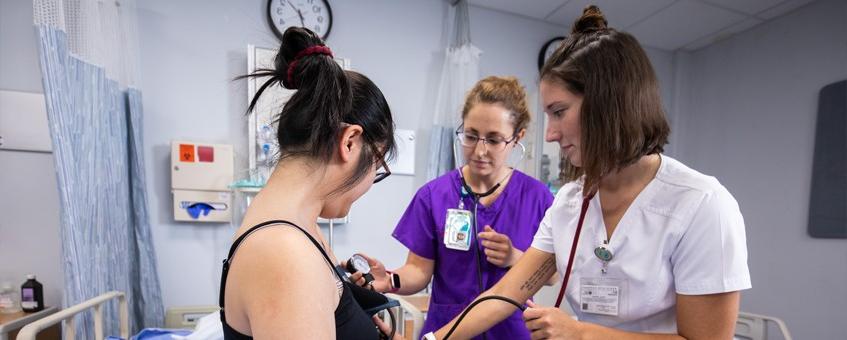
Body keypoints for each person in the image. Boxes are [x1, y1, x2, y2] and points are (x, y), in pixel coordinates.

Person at [426, 6, 751, 340]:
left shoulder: (701, 205)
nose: (550, 134)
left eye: (559, 112)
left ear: (608, 104)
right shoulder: (569, 202)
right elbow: (505, 295)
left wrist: (581, 333)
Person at [218, 26, 403, 339]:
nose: (370, 182)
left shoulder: (300, 231)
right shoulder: (285, 254)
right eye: (377, 165)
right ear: (350, 142)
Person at [349, 76, 555, 340]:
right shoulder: (434, 196)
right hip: (447, 331)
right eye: (471, 136)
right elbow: (419, 271)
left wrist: (515, 258)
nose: (480, 151)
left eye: (494, 140)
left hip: (510, 331)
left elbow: (552, 275)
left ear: (517, 138)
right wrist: (390, 280)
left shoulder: (537, 197)